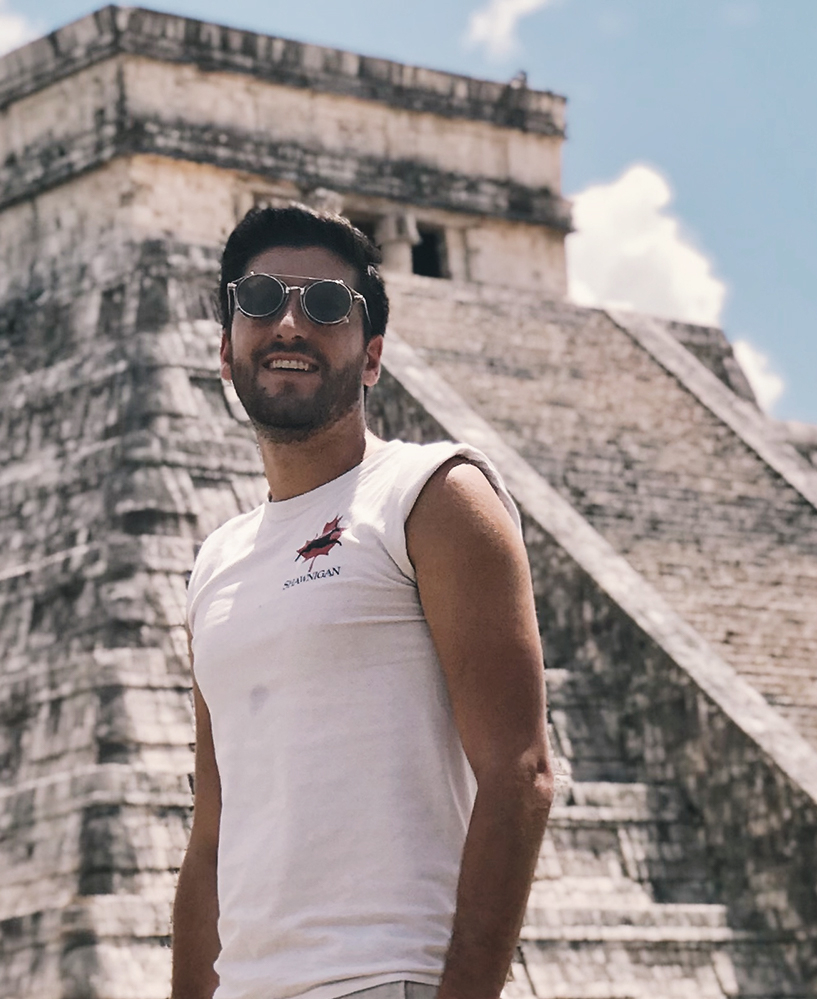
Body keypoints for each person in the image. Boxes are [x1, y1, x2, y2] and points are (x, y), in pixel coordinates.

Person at [172, 204, 554, 999]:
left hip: (385, 977)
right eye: (260, 299)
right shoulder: (215, 563)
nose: (287, 322)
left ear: (372, 356)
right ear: (225, 350)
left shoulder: (431, 494)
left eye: (323, 307)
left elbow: (520, 774)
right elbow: (211, 833)